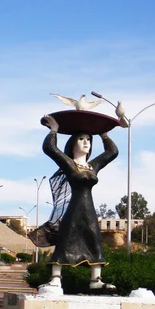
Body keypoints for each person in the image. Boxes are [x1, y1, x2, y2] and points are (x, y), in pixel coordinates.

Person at [37, 114, 118, 293]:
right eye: (81, 139)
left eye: (88, 139)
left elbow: (112, 152)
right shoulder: (69, 164)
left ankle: (95, 280)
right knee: (66, 240)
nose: (86, 142)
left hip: (89, 210)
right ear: (73, 143)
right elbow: (49, 148)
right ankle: (55, 279)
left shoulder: (93, 166)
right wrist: (54, 130)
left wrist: (104, 134)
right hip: (74, 209)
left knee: (94, 240)